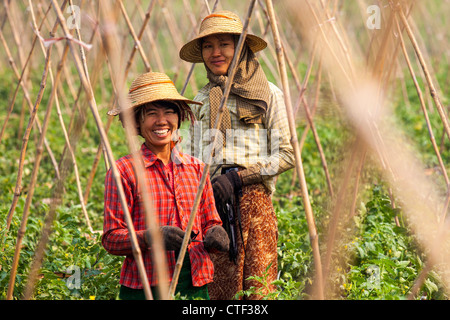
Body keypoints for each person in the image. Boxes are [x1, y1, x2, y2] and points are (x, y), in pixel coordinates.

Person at [179, 11, 295, 299]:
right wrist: (209, 188)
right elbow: (194, 161)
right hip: (214, 203)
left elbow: (287, 154)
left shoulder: (268, 94)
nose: (215, 53)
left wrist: (240, 179)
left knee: (258, 289)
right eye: (208, 46)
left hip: (255, 201)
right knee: (221, 290)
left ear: (240, 48)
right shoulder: (203, 98)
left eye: (224, 44)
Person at [102, 72, 229, 300]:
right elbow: (111, 238)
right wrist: (151, 237)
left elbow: (211, 221)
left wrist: (216, 234)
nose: (161, 121)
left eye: (169, 112)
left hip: (195, 282)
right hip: (146, 286)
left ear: (179, 118)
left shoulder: (197, 169)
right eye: (151, 114)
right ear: (137, 123)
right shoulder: (123, 171)